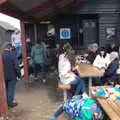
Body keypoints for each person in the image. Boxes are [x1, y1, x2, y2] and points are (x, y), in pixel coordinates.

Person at [2, 42, 21, 108]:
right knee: (11, 89)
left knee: (6, 89)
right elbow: (17, 67)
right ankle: (10, 103)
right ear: (10, 48)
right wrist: (19, 75)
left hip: (3, 76)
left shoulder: (1, 55)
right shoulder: (12, 55)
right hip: (12, 76)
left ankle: (5, 103)